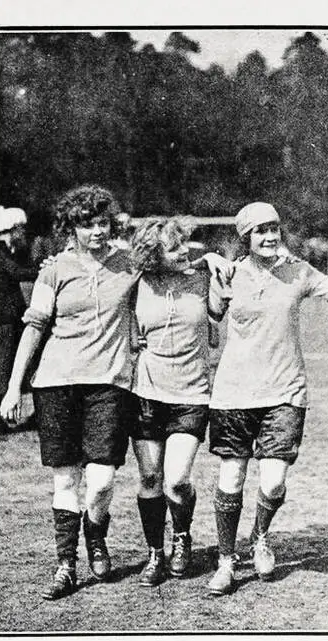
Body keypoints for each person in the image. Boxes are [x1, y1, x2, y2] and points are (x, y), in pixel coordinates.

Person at [206, 202, 328, 596]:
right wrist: (207, 259)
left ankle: (259, 538)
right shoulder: (228, 273)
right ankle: (225, 561)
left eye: (274, 229)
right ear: (245, 238)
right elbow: (212, 310)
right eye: (260, 231)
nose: (270, 237)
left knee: (273, 483)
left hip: (285, 392)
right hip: (234, 393)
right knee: (232, 477)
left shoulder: (299, 271)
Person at [0, 185, 138, 600]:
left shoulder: (129, 264)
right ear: (71, 227)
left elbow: (174, 259)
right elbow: (35, 326)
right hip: (56, 383)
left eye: (101, 223)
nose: (96, 231)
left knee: (100, 482)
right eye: (86, 224)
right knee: (66, 479)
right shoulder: (54, 269)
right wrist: (13, 388)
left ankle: (96, 534)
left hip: (109, 384)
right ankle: (66, 564)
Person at [128, 217, 232, 587]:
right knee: (150, 476)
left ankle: (182, 534)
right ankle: (155, 551)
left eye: (184, 243)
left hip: (191, 395)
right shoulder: (136, 285)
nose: (184, 250)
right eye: (173, 247)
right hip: (146, 393)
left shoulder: (201, 278)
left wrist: (216, 261)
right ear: (153, 255)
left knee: (176, 480)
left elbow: (220, 312)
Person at [0, 205, 38, 433]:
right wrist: (46, 269)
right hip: (3, 319)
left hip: (5, 317)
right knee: (1, 368)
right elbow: (16, 272)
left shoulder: (2, 250)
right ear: (13, 229)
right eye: (21, 229)